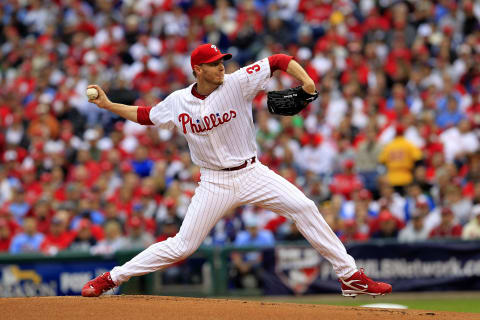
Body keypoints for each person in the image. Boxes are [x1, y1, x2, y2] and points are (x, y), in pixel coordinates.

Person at [81, 43, 391, 297]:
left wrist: (306, 80)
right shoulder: (178, 101)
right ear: (197, 70)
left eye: (222, 62)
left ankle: (349, 275)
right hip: (213, 182)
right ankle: (111, 278)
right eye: (214, 63)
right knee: (182, 246)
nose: (221, 67)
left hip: (252, 172)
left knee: (304, 206)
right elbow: (146, 114)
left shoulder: (237, 82)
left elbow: (279, 60)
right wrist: (109, 105)